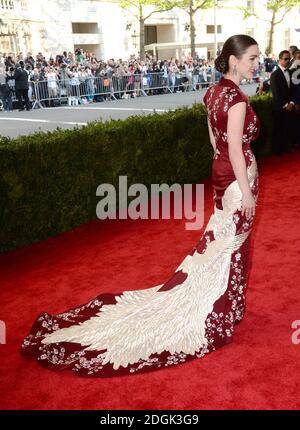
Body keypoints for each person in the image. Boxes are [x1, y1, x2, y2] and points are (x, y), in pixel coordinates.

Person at [21, 34, 261, 378]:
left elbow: (215, 143)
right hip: (238, 179)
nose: (256, 64)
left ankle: (229, 304)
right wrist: (247, 192)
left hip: (222, 175)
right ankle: (222, 308)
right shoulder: (236, 99)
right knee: (230, 245)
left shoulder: (212, 93)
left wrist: (224, 175)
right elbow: (237, 150)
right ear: (234, 60)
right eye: (252, 58)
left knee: (224, 243)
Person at [270, 50, 294, 155]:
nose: (288, 61)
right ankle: (278, 150)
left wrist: (292, 103)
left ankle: (286, 147)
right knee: (279, 128)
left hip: (290, 105)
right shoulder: (275, 75)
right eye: (285, 59)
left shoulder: (290, 72)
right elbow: (276, 93)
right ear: (279, 60)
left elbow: (294, 89)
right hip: (279, 107)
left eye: (289, 59)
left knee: (288, 127)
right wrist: (285, 105)